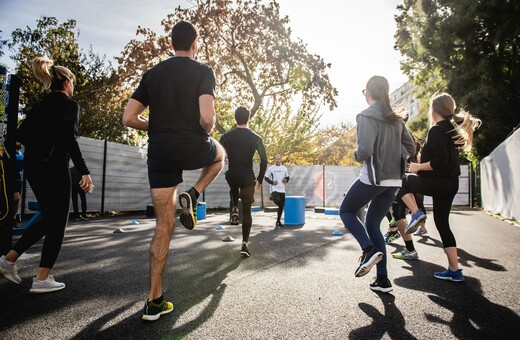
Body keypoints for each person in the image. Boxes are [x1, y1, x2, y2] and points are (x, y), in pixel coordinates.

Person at [122, 20, 225, 321]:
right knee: (220, 155)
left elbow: (129, 118)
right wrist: (205, 128)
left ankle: (154, 300)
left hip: (161, 153)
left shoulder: (152, 74)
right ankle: (194, 193)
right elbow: (207, 118)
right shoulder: (203, 71)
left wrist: (153, 125)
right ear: (195, 45)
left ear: (170, 45)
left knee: (162, 227)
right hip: (193, 146)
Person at [0, 56, 93, 293]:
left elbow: (19, 135)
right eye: (73, 83)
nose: (74, 87)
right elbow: (69, 140)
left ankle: (8, 260)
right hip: (54, 167)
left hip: (34, 167)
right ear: (67, 82)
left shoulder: (40, 106)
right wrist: (84, 171)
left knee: (49, 217)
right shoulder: (69, 105)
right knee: (57, 221)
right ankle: (42, 278)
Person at [339, 75, 416, 293]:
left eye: (364, 91)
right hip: (394, 181)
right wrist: (395, 158)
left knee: (346, 210)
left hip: (374, 177)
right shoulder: (397, 119)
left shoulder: (365, 116)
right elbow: (411, 149)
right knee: (373, 224)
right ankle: (382, 279)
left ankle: (368, 249)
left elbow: (364, 151)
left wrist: (356, 154)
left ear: (369, 92)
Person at [399, 92, 481, 282]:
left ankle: (416, 213)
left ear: (434, 110)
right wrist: (422, 165)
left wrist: (418, 167)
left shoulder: (436, 130)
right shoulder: (451, 130)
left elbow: (439, 162)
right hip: (450, 183)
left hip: (439, 182)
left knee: (402, 182)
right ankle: (454, 270)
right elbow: (442, 160)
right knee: (442, 224)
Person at [219, 106, 267, 257]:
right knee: (247, 211)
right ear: (249, 118)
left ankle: (234, 207)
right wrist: (259, 179)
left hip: (232, 174)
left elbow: (217, 152)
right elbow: (264, 160)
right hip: (247, 177)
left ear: (235, 118)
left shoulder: (226, 136)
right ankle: (245, 245)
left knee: (233, 187)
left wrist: (225, 158)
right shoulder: (256, 138)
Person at [264, 154, 290, 227]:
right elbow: (266, 178)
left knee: (281, 205)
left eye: (279, 159)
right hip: (274, 189)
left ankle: (278, 221)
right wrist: (272, 182)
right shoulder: (271, 168)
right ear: (274, 159)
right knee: (279, 202)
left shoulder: (284, 168)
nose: (277, 160)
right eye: (276, 159)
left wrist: (286, 180)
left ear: (281, 159)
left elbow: (287, 177)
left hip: (282, 189)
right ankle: (273, 197)